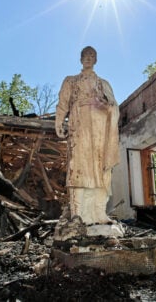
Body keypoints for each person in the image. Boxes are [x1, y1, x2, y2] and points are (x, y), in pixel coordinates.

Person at [55, 46, 120, 225]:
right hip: (80, 126)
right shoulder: (71, 81)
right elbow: (62, 103)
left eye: (92, 56)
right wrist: (59, 122)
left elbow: (114, 107)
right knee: (78, 166)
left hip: (99, 129)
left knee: (101, 168)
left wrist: (105, 106)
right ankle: (77, 213)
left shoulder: (103, 84)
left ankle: (99, 213)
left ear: (96, 60)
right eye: (85, 55)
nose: (88, 58)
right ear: (80, 59)